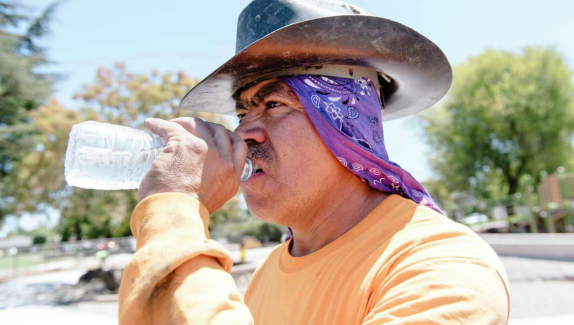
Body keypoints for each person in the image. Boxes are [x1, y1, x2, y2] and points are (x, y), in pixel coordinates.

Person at [118, 1, 510, 324]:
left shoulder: (440, 267)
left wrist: (174, 213)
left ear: (347, 122)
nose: (244, 134)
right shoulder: (269, 271)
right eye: (242, 114)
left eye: (274, 104)